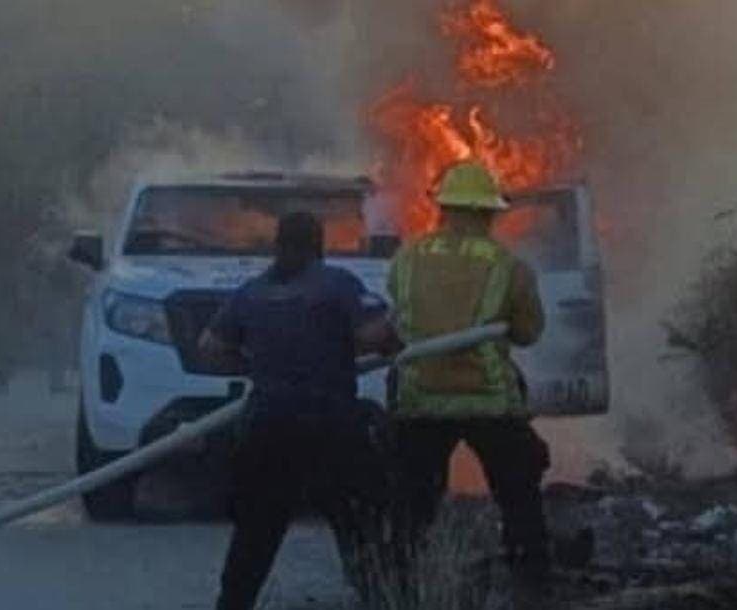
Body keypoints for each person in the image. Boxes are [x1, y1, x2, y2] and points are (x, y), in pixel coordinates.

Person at [198, 212, 398, 610]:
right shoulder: (336, 284)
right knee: (360, 524)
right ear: (318, 246)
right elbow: (371, 334)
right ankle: (382, 597)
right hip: (330, 426)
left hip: (267, 427)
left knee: (256, 533)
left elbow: (209, 347)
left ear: (278, 245)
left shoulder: (250, 293)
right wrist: (393, 338)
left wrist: (254, 364)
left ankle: (233, 604)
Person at [386, 161, 553, 590]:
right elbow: (529, 333)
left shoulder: (406, 259)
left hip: (420, 399)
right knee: (519, 496)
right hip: (489, 402)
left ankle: (399, 587)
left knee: (411, 506)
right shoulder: (507, 266)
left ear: (444, 210)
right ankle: (531, 587)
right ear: (486, 213)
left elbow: (397, 323)